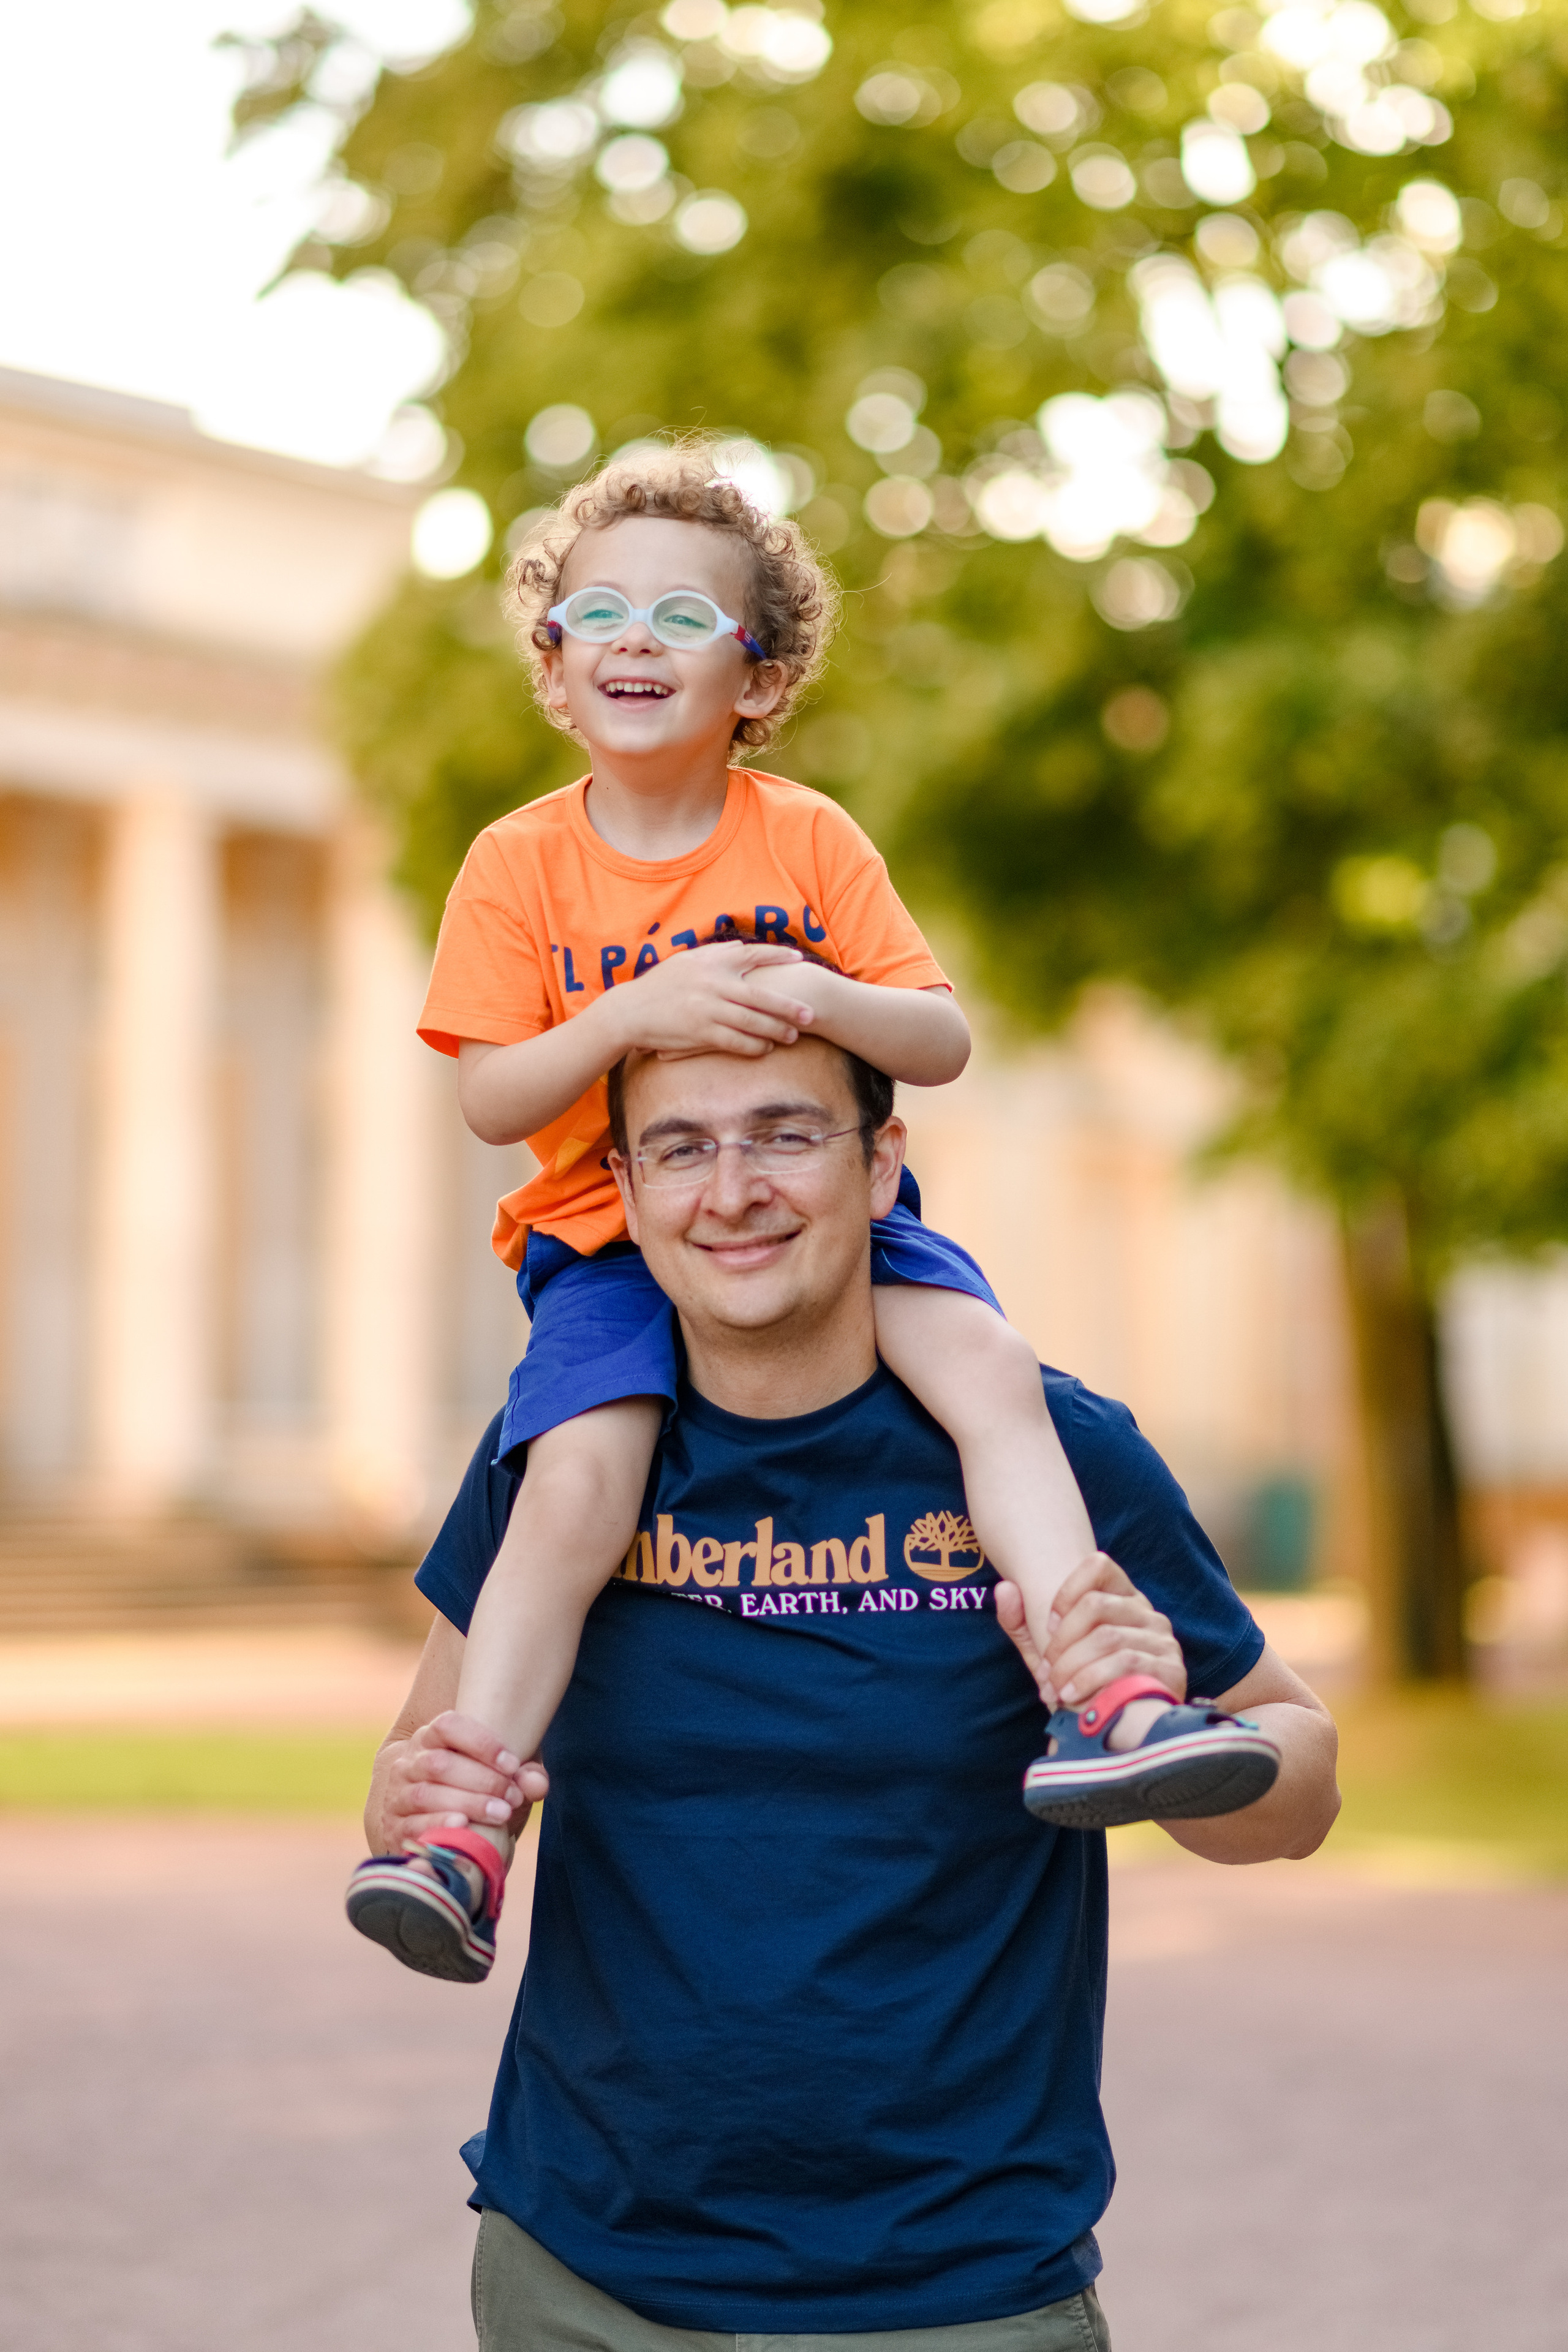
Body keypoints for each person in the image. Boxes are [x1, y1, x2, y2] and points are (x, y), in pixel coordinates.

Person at [346, 445, 1275, 1984]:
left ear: (755, 675)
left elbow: (939, 1042)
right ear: (555, 664)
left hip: (832, 1211)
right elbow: (495, 1100)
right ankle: (462, 1833)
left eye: (680, 616)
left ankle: (1105, 1698)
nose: (634, 636)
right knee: (576, 1482)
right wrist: (645, 1005)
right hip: (603, 1231)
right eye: (598, 609)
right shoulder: (517, 863)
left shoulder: (809, 841)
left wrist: (819, 991)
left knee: (989, 1375)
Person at [360, 1030, 1341, 2351]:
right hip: (588, 2281)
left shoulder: (1053, 1457)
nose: (732, 1190)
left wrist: (1175, 1709)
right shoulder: (557, 1459)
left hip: (963, 2291)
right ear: (628, 1192)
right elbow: (416, 1777)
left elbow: (1297, 1780)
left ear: (881, 1165)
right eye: (681, 1147)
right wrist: (405, 1795)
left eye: (784, 1133)